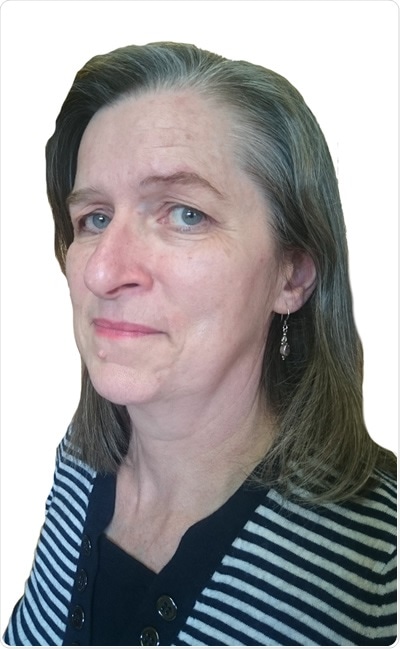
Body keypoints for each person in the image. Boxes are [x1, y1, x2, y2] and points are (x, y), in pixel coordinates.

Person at [4, 42, 396, 647]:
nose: (102, 272)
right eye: (95, 219)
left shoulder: (376, 555)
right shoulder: (82, 460)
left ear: (292, 275)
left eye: (185, 214)